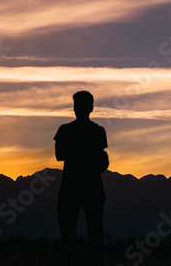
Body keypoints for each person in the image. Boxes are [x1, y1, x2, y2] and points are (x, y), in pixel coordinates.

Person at [54, 91, 109, 266]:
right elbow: (102, 159)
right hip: (92, 187)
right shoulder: (98, 131)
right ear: (91, 108)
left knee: (68, 237)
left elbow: (59, 154)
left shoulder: (65, 130)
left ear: (74, 108)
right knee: (96, 236)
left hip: (71, 188)